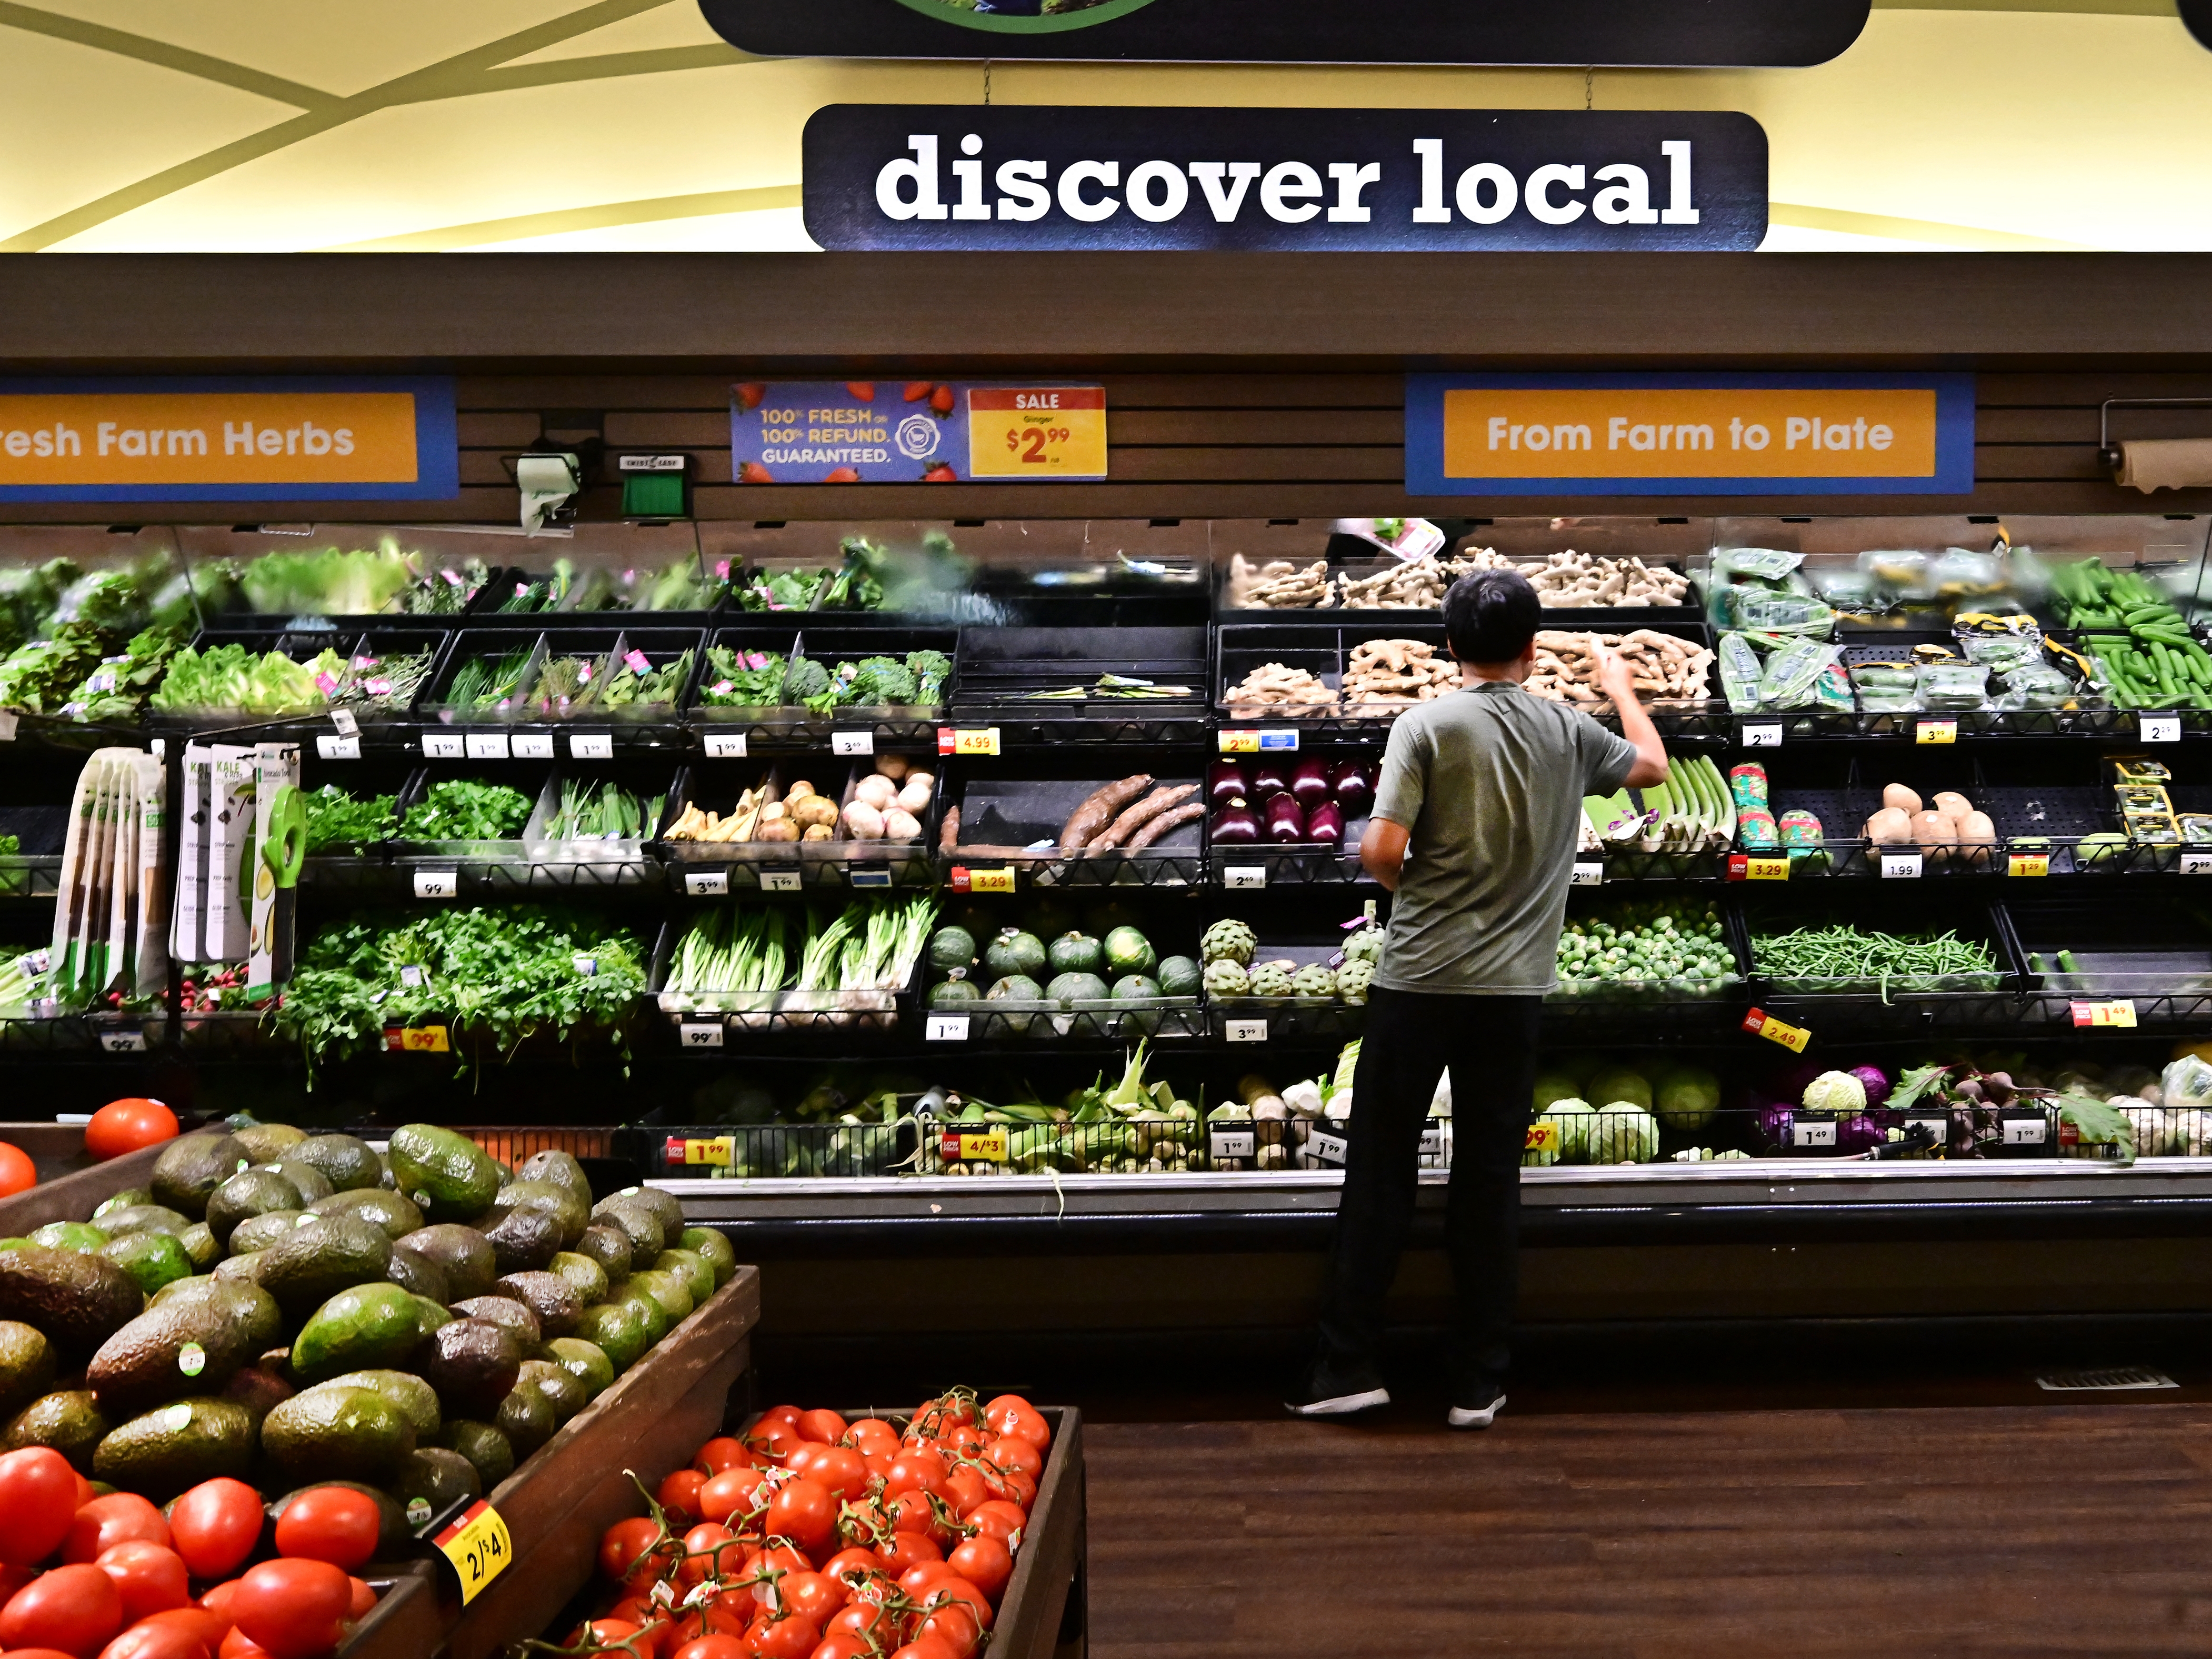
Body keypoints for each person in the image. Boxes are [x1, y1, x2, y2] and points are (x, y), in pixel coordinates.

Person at [1287, 567, 1668, 1428]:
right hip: (1514, 990)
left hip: (1418, 977)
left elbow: (1380, 853)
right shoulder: (1569, 729)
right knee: (1490, 1178)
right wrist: (1618, 687)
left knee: (1379, 1169)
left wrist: (1423, 882)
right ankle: (1478, 1381)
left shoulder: (1425, 723)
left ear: (1450, 646)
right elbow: (1649, 765)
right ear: (1534, 651)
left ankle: (1346, 1365)